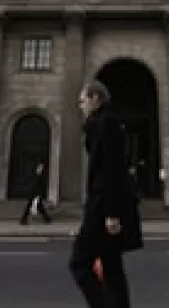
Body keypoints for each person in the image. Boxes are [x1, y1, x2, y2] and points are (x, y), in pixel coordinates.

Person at [69, 80, 143, 308]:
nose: (79, 105)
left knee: (80, 263)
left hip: (104, 205)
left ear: (95, 99)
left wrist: (112, 213)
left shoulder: (107, 123)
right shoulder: (99, 125)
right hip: (105, 202)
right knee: (111, 264)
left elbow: (112, 169)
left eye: (82, 100)